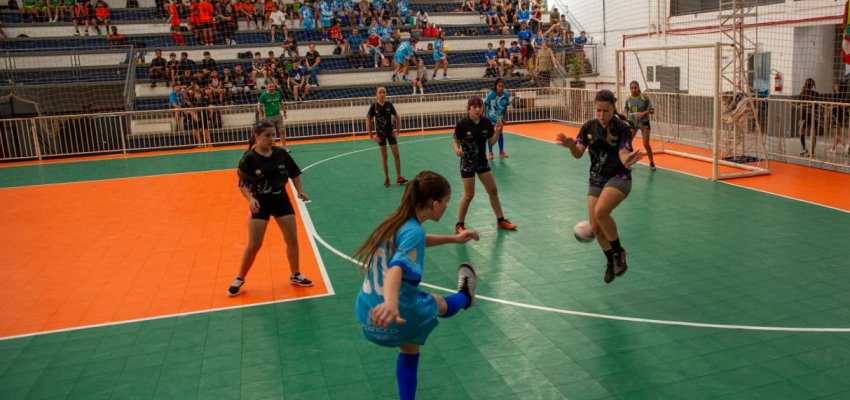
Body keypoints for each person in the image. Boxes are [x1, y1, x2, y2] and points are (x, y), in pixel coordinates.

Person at [354, 170, 479, 400]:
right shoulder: (413, 230)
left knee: (409, 346)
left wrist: (454, 238)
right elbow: (396, 268)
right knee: (438, 303)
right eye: (446, 202)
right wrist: (391, 304)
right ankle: (465, 296)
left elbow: (416, 241)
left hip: (367, 315)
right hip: (395, 315)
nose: (446, 207)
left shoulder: (394, 222)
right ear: (433, 204)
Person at [555, 90, 643, 284]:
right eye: (598, 111)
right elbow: (578, 153)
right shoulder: (588, 127)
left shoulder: (622, 128)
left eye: (606, 111)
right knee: (595, 226)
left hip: (619, 177)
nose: (602, 115)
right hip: (596, 179)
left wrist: (626, 159)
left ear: (613, 108)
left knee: (601, 212)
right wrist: (570, 145)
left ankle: (619, 253)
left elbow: (623, 151)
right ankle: (610, 262)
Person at [228, 119, 313, 296]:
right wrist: (250, 199)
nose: (272, 139)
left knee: (292, 239)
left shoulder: (281, 154)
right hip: (260, 203)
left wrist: (300, 191)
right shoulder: (249, 158)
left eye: (273, 135)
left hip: (281, 200)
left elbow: (294, 173)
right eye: (267, 136)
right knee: (254, 244)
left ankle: (295, 274)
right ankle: (239, 278)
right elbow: (242, 184)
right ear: (257, 136)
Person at [453, 95, 518, 234]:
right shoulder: (462, 124)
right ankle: (459, 224)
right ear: (469, 109)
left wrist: (498, 130)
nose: (477, 110)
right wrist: (457, 150)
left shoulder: (486, 123)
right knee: (469, 195)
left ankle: (501, 221)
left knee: (493, 191)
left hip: (482, 162)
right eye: (474, 107)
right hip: (467, 163)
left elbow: (492, 142)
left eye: (479, 107)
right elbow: (456, 140)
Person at [367, 87, 408, 187]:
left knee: (397, 155)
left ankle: (398, 177)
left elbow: (397, 117)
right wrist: (371, 135)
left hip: (390, 133)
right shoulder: (374, 106)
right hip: (380, 135)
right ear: (376, 94)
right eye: (380, 92)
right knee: (384, 156)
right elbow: (368, 120)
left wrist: (398, 131)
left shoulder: (389, 105)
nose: (382, 94)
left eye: (384, 92)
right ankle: (387, 178)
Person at [624, 81, 656, 171]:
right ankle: (628, 162)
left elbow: (652, 110)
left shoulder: (644, 98)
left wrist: (643, 113)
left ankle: (652, 162)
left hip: (644, 124)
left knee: (646, 144)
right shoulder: (628, 99)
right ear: (630, 89)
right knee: (628, 142)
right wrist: (625, 114)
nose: (633, 89)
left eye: (635, 87)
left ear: (638, 88)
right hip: (633, 124)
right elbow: (626, 108)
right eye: (632, 88)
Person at [257, 81, 290, 152]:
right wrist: (261, 115)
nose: (272, 88)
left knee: (282, 130)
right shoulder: (263, 95)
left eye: (273, 87)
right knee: (272, 133)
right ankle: (273, 148)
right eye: (270, 87)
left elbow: (281, 103)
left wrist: (284, 111)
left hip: (278, 115)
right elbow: (259, 106)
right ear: (267, 87)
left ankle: (284, 147)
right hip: (269, 117)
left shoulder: (278, 93)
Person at [484, 79, 510, 159]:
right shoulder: (491, 95)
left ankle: (501, 152)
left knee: (500, 134)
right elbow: (485, 105)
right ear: (496, 86)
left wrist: (505, 117)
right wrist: (484, 117)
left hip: (499, 118)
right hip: (490, 118)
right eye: (499, 86)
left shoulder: (506, 95)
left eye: (502, 86)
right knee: (490, 135)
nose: (501, 88)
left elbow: (505, 107)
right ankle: (490, 153)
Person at [798, 78, 819, 157]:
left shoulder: (803, 94)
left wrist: (801, 118)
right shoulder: (815, 94)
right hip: (813, 116)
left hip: (806, 116)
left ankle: (804, 149)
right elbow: (817, 106)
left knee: (801, 132)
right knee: (813, 134)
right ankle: (811, 152)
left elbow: (800, 107)